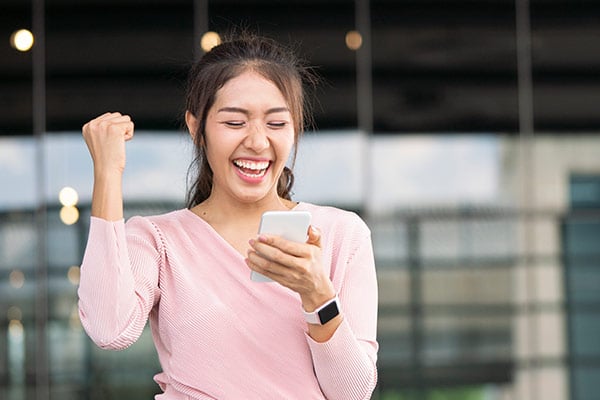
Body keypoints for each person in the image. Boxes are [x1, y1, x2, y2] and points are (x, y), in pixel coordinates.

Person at [78, 33, 378, 399]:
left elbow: (353, 393)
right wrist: (107, 173)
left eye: (277, 124)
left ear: (295, 129)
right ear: (196, 128)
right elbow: (110, 329)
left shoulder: (343, 235)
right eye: (235, 123)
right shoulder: (159, 241)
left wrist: (318, 296)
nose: (256, 141)